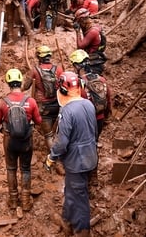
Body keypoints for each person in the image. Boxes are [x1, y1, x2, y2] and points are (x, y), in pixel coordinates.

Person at [44, 71, 98, 236]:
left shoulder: (67, 111)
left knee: (79, 196)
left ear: (63, 90)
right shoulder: (89, 104)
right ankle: (67, 220)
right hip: (90, 155)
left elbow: (62, 142)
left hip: (76, 161)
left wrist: (51, 157)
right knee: (71, 190)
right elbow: (94, 132)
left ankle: (82, 231)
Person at [0, 68, 42, 212]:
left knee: (11, 169)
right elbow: (38, 121)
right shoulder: (30, 101)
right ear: (20, 82)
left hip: (9, 140)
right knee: (25, 169)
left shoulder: (3, 102)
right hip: (26, 141)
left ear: (8, 83)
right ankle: (25, 201)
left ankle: (13, 200)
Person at [23, 46, 64, 150]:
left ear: (39, 57)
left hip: (43, 106)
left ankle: (53, 157)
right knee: (57, 131)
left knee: (48, 135)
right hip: (57, 104)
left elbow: (25, 86)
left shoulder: (35, 71)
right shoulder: (58, 69)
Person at [70, 50, 113, 144]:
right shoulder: (101, 80)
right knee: (94, 143)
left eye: (73, 65)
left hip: (85, 122)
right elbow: (108, 99)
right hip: (99, 119)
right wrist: (106, 116)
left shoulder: (78, 85)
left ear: (77, 66)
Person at [73, 8, 107, 75]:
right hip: (97, 56)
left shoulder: (92, 32)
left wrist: (77, 32)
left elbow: (80, 46)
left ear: (82, 20)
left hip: (94, 60)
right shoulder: (94, 27)